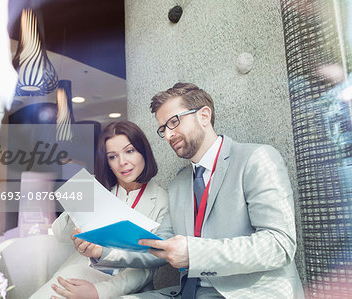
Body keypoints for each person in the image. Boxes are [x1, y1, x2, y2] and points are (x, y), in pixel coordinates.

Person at [71, 83, 304, 298]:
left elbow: (280, 244)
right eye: (163, 129)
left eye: (174, 122)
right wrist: (103, 252)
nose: (169, 135)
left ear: (204, 116)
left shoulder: (256, 159)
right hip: (187, 293)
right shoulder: (180, 183)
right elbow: (157, 244)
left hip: (247, 293)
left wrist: (194, 253)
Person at [30, 120, 169, 299]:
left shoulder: (161, 200)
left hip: (122, 286)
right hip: (83, 270)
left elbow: (148, 265)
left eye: (129, 151)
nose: (122, 162)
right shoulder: (99, 188)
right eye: (112, 156)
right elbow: (59, 235)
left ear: (143, 152)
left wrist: (99, 292)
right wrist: (77, 209)